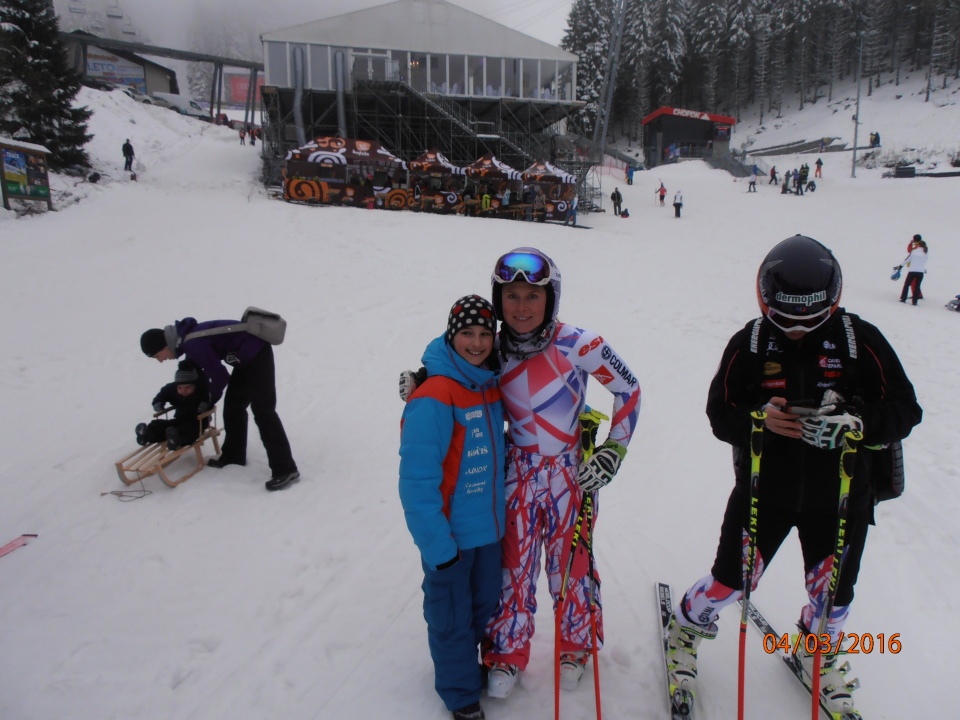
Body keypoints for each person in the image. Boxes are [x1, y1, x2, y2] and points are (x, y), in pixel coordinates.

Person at [664, 235, 921, 718]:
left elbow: (906, 408)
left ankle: (814, 650)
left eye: (811, 320)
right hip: (766, 493)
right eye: (786, 320)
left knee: (834, 598)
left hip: (842, 496)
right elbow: (720, 413)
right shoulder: (751, 342)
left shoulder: (859, 340)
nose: (798, 331)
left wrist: (858, 421)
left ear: (832, 302)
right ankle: (684, 629)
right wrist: (758, 421)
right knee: (730, 582)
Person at [480, 248, 641, 698]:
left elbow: (629, 388)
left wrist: (613, 450)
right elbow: (453, 362)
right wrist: (421, 379)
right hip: (518, 469)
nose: (521, 307)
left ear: (551, 298)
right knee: (514, 564)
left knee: (571, 563)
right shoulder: (492, 347)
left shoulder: (577, 343)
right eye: (511, 296)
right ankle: (506, 651)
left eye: (533, 296)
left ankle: (575, 646)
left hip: (571, 472)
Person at [399, 295, 505, 720]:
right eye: (467, 333)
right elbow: (417, 483)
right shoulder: (434, 396)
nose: (476, 343)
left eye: (484, 334)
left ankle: (465, 666)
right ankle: (461, 695)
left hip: (488, 532)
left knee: (482, 606)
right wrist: (437, 547)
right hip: (450, 538)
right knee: (450, 616)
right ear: (451, 335)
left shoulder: (489, 384)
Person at [139, 317, 299, 492]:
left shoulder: (191, 344)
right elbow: (198, 374)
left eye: (157, 356)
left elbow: (220, 376)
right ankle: (233, 456)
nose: (160, 360)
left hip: (257, 353)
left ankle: (286, 469)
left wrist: (208, 400)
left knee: (263, 411)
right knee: (233, 407)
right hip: (243, 360)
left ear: (164, 346)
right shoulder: (187, 342)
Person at [135, 359, 212, 451]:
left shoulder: (202, 391)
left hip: (198, 422)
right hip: (179, 420)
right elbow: (163, 394)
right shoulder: (173, 390)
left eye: (187, 388)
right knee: (162, 426)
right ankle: (147, 434)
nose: (183, 391)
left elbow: (211, 399)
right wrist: (158, 402)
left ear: (195, 386)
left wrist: (206, 405)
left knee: (189, 431)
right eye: (180, 388)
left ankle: (177, 440)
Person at [899, 234, 928, 305]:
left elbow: (907, 259)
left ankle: (903, 298)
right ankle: (915, 301)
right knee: (917, 286)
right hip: (921, 271)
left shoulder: (914, 251)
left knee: (906, 284)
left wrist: (900, 266)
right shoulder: (926, 252)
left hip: (912, 270)